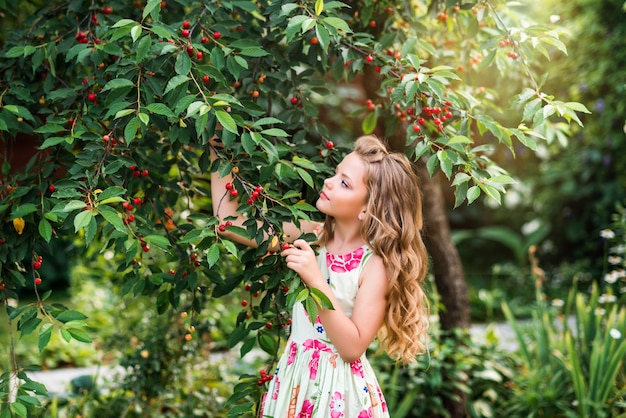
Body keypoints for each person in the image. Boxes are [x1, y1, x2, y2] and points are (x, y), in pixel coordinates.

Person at [210, 134, 430, 418]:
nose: (329, 181)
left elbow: (352, 346)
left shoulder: (375, 264)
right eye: (337, 173)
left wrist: (315, 280)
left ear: (367, 208)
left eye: (344, 183)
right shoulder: (313, 235)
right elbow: (229, 224)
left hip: (339, 395)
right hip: (295, 382)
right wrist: (217, 148)